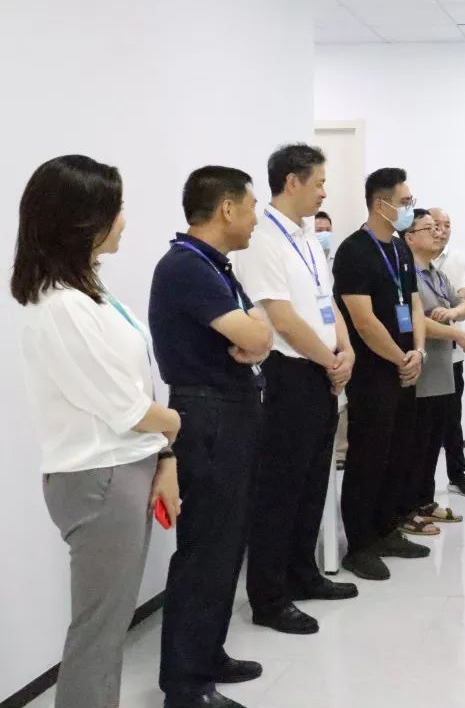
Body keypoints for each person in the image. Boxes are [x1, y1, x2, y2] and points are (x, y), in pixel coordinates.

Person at [12, 155, 182, 708]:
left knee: (108, 629)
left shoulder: (93, 296)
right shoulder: (62, 307)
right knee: (99, 632)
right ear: (84, 221)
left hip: (123, 469)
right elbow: (127, 407)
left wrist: (164, 456)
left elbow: (135, 388)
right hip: (100, 478)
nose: (125, 220)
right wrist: (175, 422)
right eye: (118, 208)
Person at [150, 166, 273, 708]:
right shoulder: (186, 266)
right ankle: (185, 684)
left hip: (230, 408)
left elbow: (260, 332)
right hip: (208, 412)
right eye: (251, 206)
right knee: (206, 547)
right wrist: (256, 333)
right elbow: (254, 334)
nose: (254, 218)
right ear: (226, 208)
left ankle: (208, 654)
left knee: (228, 542)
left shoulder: (214, 265)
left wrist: (257, 332)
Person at [232, 144, 358, 637]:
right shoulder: (263, 239)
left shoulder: (308, 237)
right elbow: (281, 318)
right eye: (319, 182)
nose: (325, 191)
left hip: (323, 370)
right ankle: (269, 596)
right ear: (292, 182)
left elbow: (328, 302)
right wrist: (330, 360)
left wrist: (345, 351)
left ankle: (303, 573)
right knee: (279, 489)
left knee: (312, 483)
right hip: (288, 374)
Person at [333, 167, 429, 581]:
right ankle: (359, 545)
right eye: (405, 202)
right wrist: (399, 358)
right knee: (368, 457)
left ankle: (387, 529)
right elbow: (363, 319)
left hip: (405, 368)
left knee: (399, 453)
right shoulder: (354, 251)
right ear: (380, 203)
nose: (409, 208)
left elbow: (415, 303)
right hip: (373, 372)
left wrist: (418, 352)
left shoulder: (400, 248)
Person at [398, 209, 465, 536]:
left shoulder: (437, 274)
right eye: (429, 228)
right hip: (421, 374)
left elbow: (463, 305)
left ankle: (425, 503)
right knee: (415, 446)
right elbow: (416, 321)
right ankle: (408, 510)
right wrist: (457, 333)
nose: (437, 233)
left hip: (443, 372)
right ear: (409, 237)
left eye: (440, 228)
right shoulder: (406, 276)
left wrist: (455, 311)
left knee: (432, 443)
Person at [431, 207, 465, 497]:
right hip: (420, 354)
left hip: (451, 354)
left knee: (452, 417)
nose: (442, 230)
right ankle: (418, 483)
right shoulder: (410, 259)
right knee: (421, 423)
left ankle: (457, 474)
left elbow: (463, 301)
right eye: (436, 224)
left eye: (447, 224)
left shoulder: (459, 259)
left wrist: (449, 310)